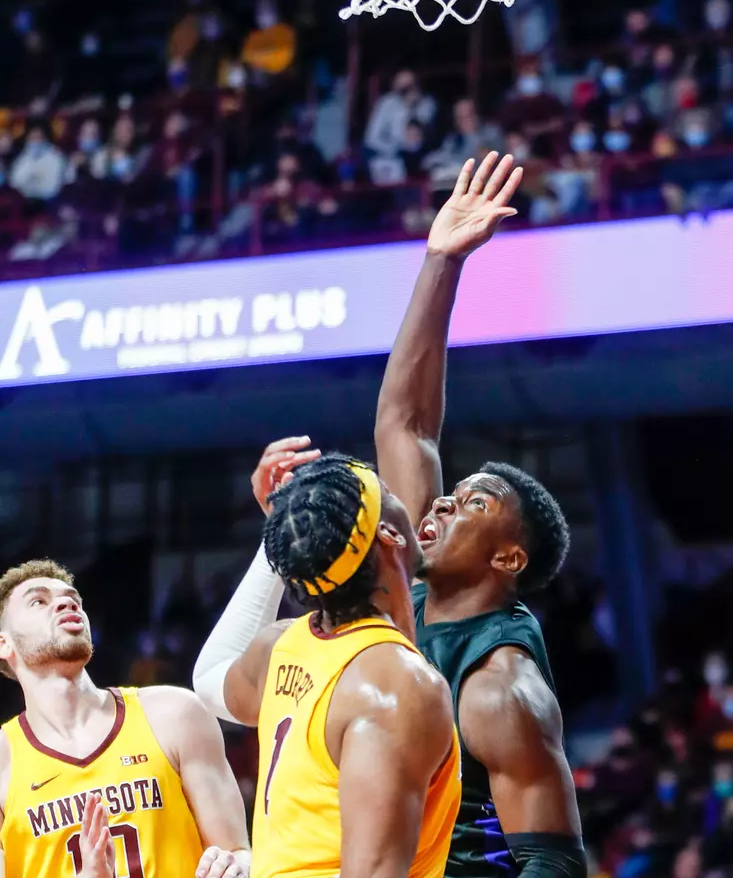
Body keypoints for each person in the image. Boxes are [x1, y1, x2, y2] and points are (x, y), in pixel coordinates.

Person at [373, 153, 585, 878]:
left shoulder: (499, 685)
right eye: (449, 493)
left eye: (472, 505)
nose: (437, 504)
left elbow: (554, 862)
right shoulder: (418, 586)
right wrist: (440, 260)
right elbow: (406, 426)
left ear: (506, 558)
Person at [193, 452, 461, 878]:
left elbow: (208, 681)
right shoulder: (397, 688)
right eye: (388, 492)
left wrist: (285, 536)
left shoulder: (282, 645)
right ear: (389, 534)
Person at [0, 559, 249, 878]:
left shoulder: (175, 714)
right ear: (4, 644)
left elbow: (238, 852)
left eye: (73, 599)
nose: (65, 602)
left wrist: (236, 866)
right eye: (39, 601)